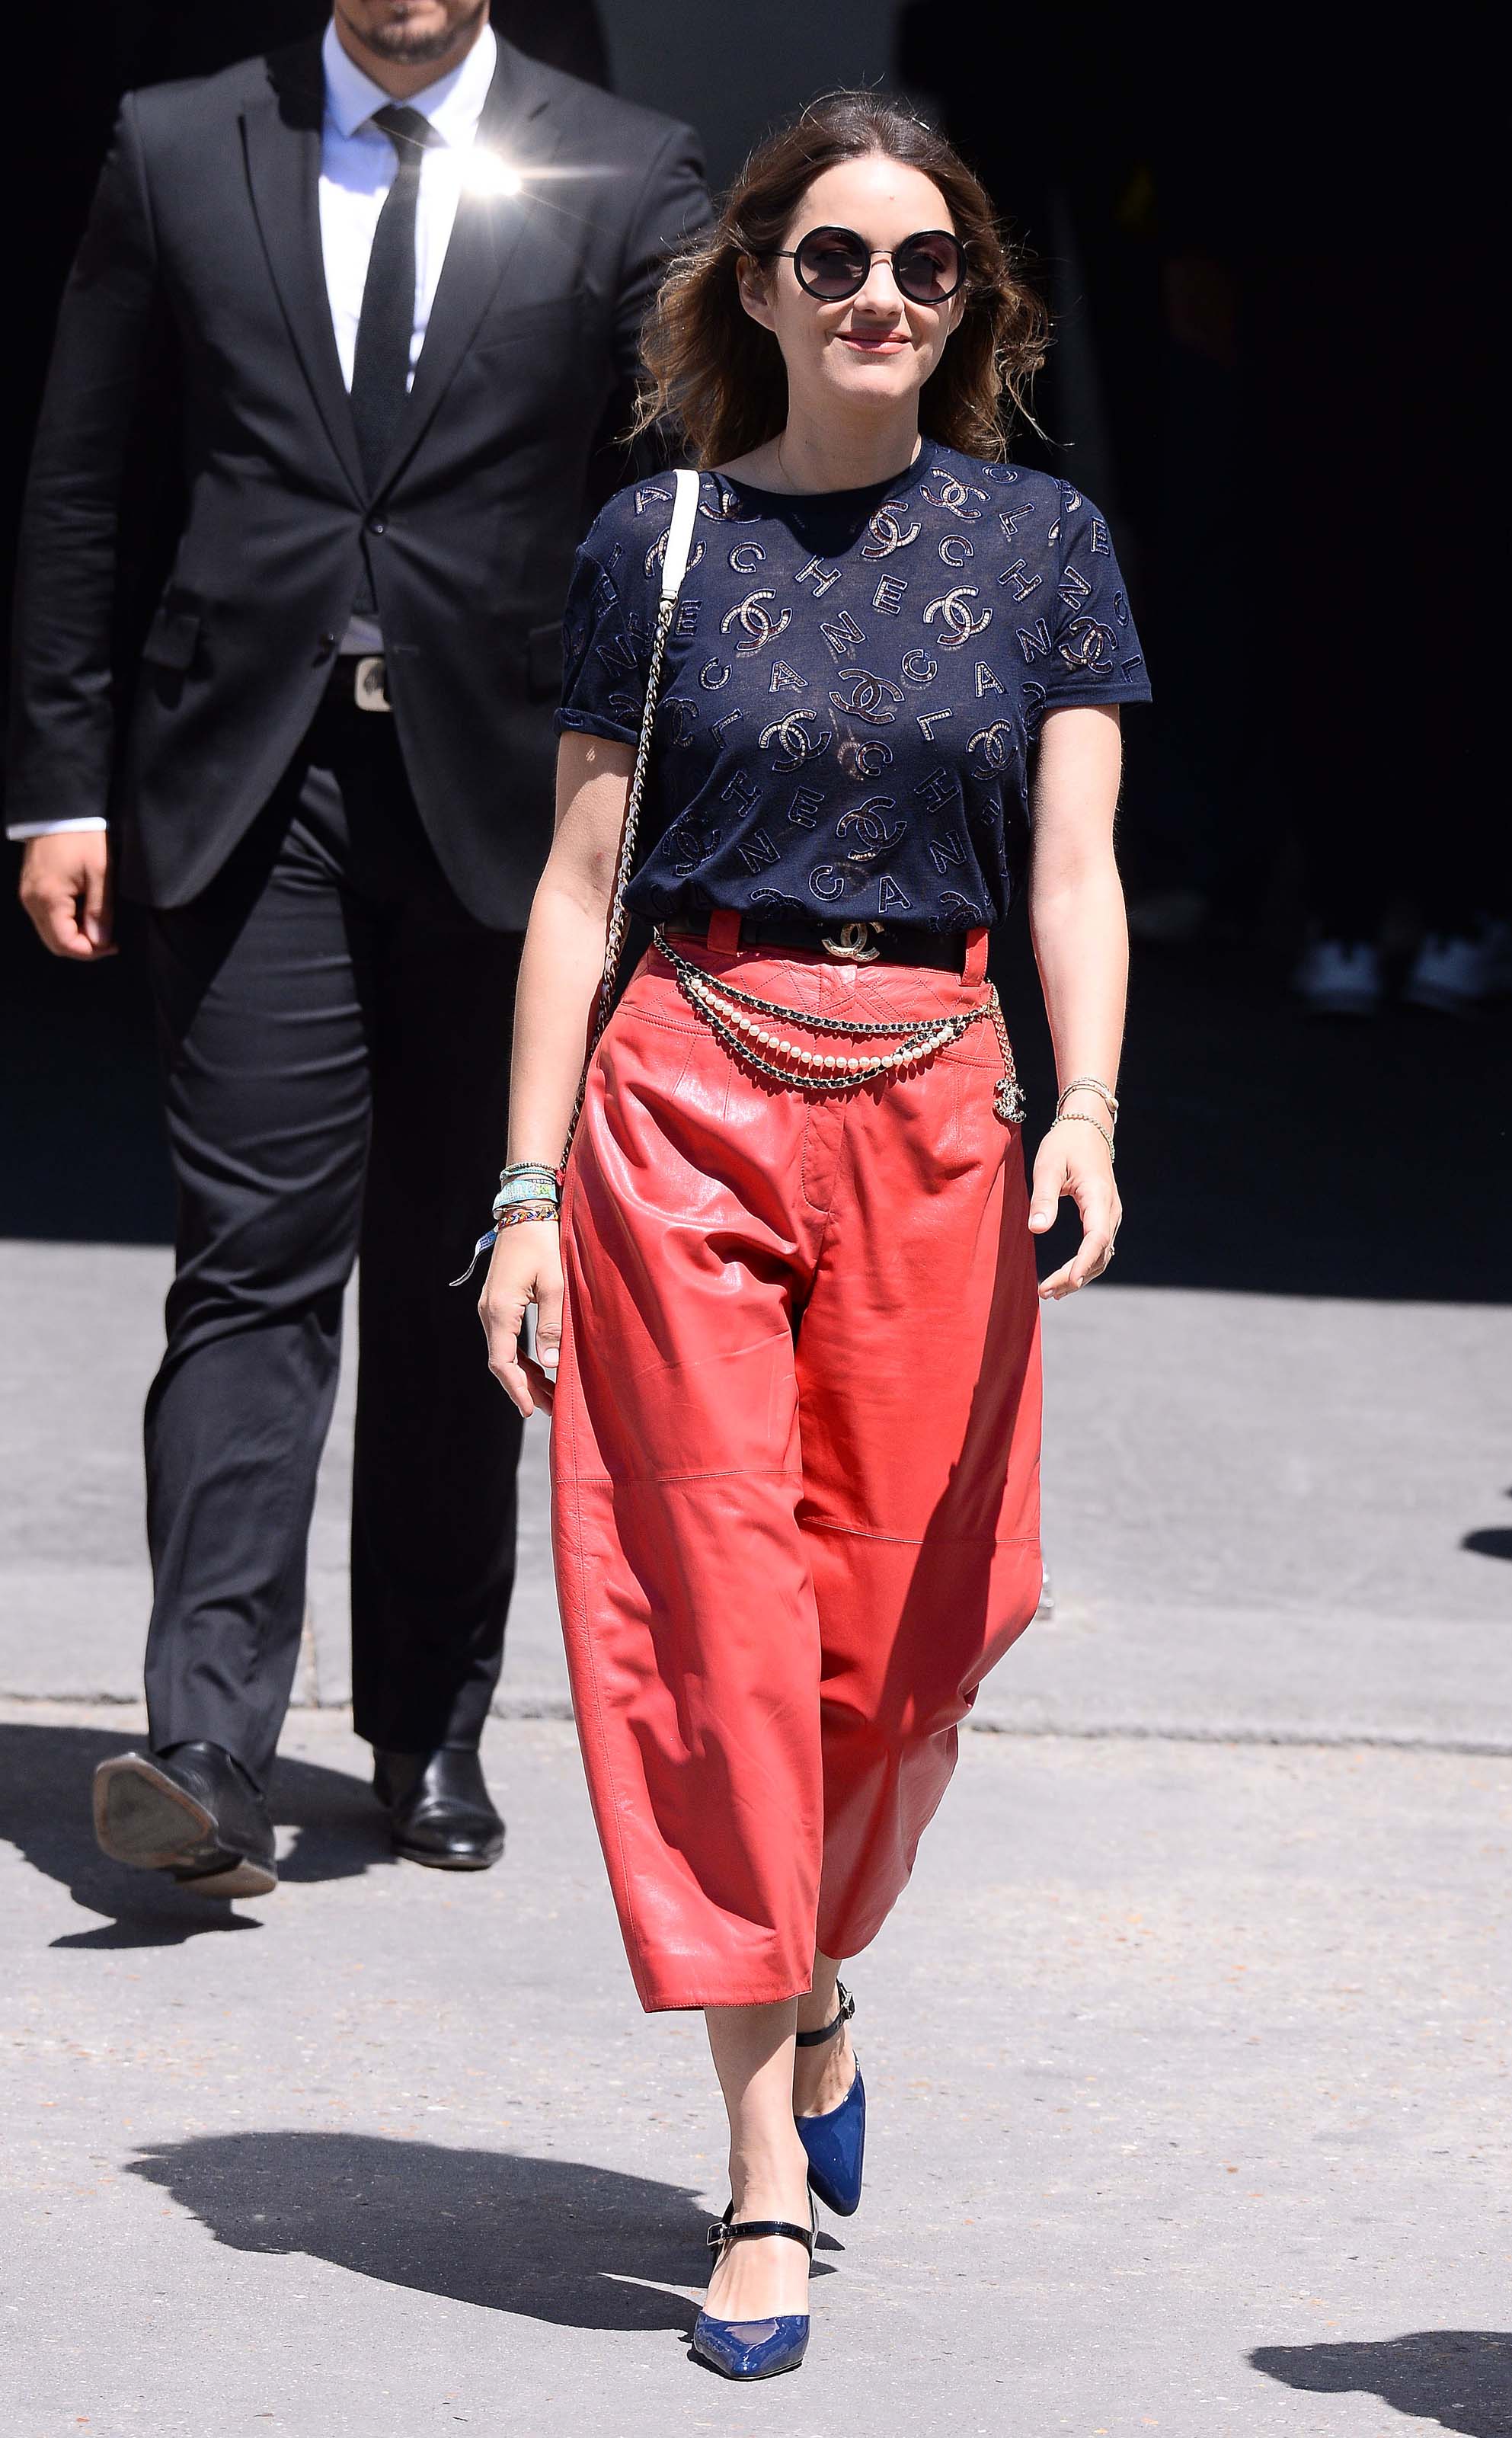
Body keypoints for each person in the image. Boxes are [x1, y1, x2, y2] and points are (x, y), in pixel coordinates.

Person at [476, 92, 1149, 2379]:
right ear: (754, 282)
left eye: (927, 265)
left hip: (940, 1114)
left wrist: (1089, 1110)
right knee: (710, 1636)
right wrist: (524, 1190)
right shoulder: (649, 543)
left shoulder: (1044, 542)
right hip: (678, 1090)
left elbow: (1071, 873)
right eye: (836, 259)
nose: (881, 299)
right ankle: (756, 2168)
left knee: (912, 1640)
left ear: (972, 301)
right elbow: (575, 895)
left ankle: (816, 1972)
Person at [8, 0, 707, 1898]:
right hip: (248, 785)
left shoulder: (623, 169)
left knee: (455, 1271)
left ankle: (427, 1724)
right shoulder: (174, 145)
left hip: (513, 798)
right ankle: (208, 1748)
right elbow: (85, 476)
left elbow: (678, 497)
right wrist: (56, 778)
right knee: (248, 1263)